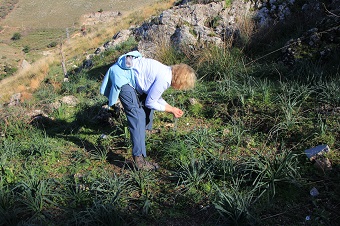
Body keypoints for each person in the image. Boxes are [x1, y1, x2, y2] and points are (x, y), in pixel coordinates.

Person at [100, 50, 196, 170]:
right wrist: (169, 109)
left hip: (127, 73)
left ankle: (142, 134)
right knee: (137, 116)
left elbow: (154, 96)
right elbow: (151, 103)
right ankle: (139, 160)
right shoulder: (165, 78)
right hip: (122, 76)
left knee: (143, 108)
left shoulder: (166, 71)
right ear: (181, 81)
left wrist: (171, 108)